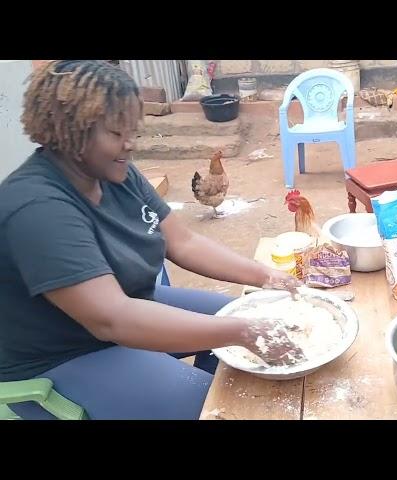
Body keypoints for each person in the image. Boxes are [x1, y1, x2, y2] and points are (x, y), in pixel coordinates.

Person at [0, 60, 303, 420]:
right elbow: (112, 319)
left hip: (128, 304)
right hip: (66, 351)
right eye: (116, 133)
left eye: (132, 129)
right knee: (227, 404)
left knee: (239, 322)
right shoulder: (37, 207)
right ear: (70, 130)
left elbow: (183, 242)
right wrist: (242, 332)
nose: (130, 144)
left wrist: (265, 276)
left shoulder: (117, 173)